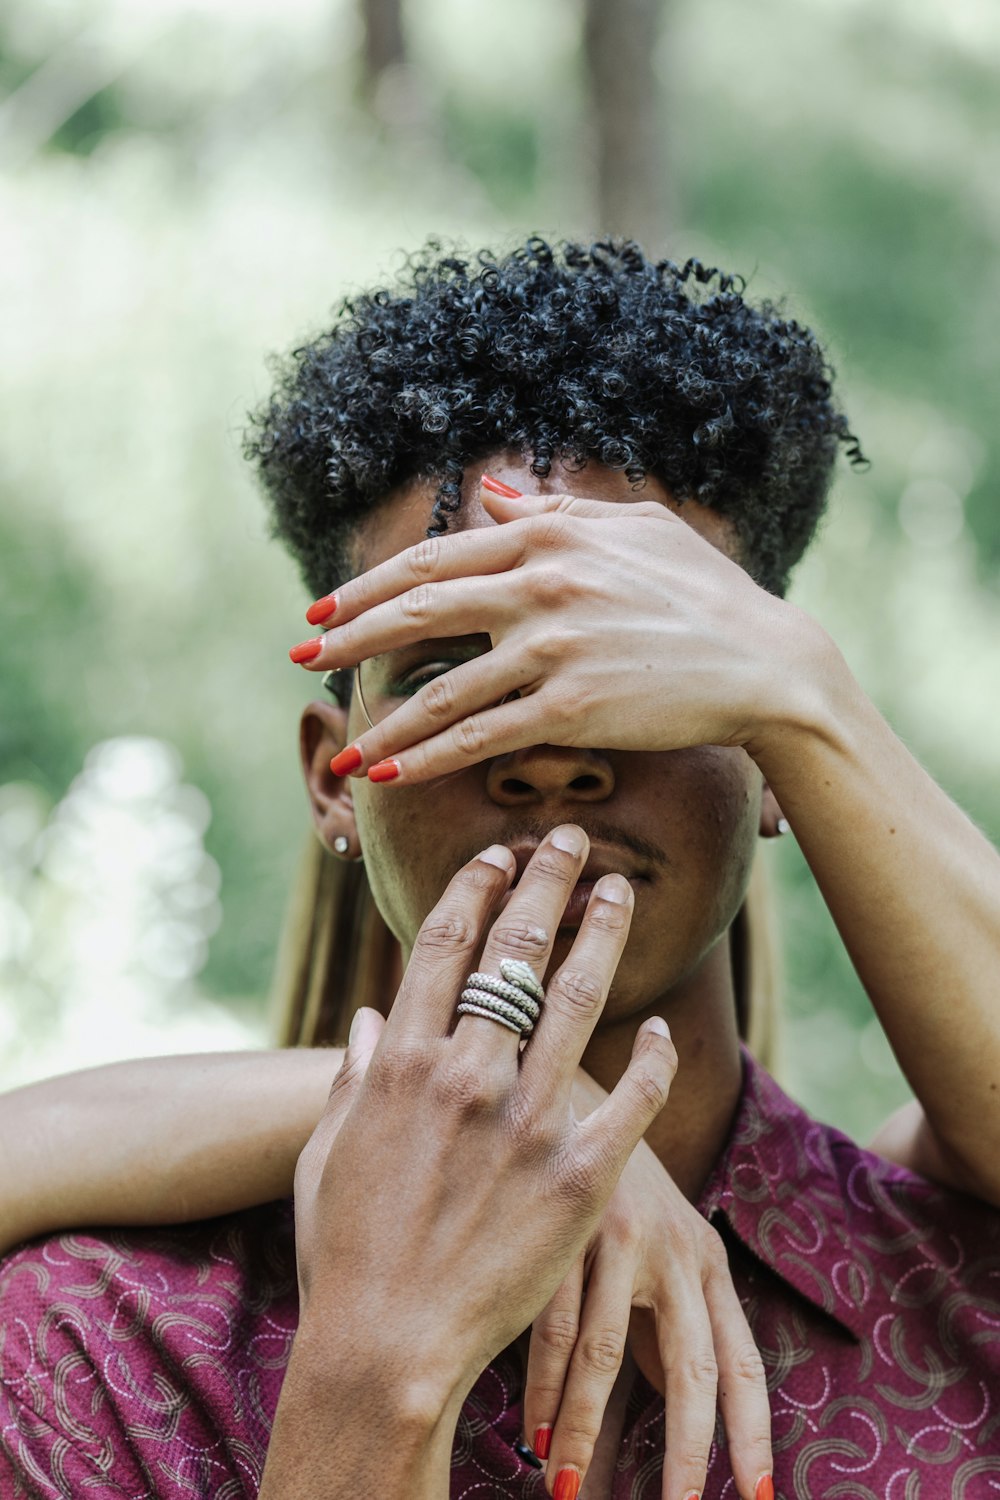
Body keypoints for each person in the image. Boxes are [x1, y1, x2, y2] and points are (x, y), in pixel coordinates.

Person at [2, 239, 999, 1500]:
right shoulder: (82, 1353)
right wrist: (374, 1382)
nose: (547, 758)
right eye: (446, 675)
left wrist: (809, 700)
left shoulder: (957, 1283)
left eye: (644, 676)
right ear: (335, 776)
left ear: (770, 771)